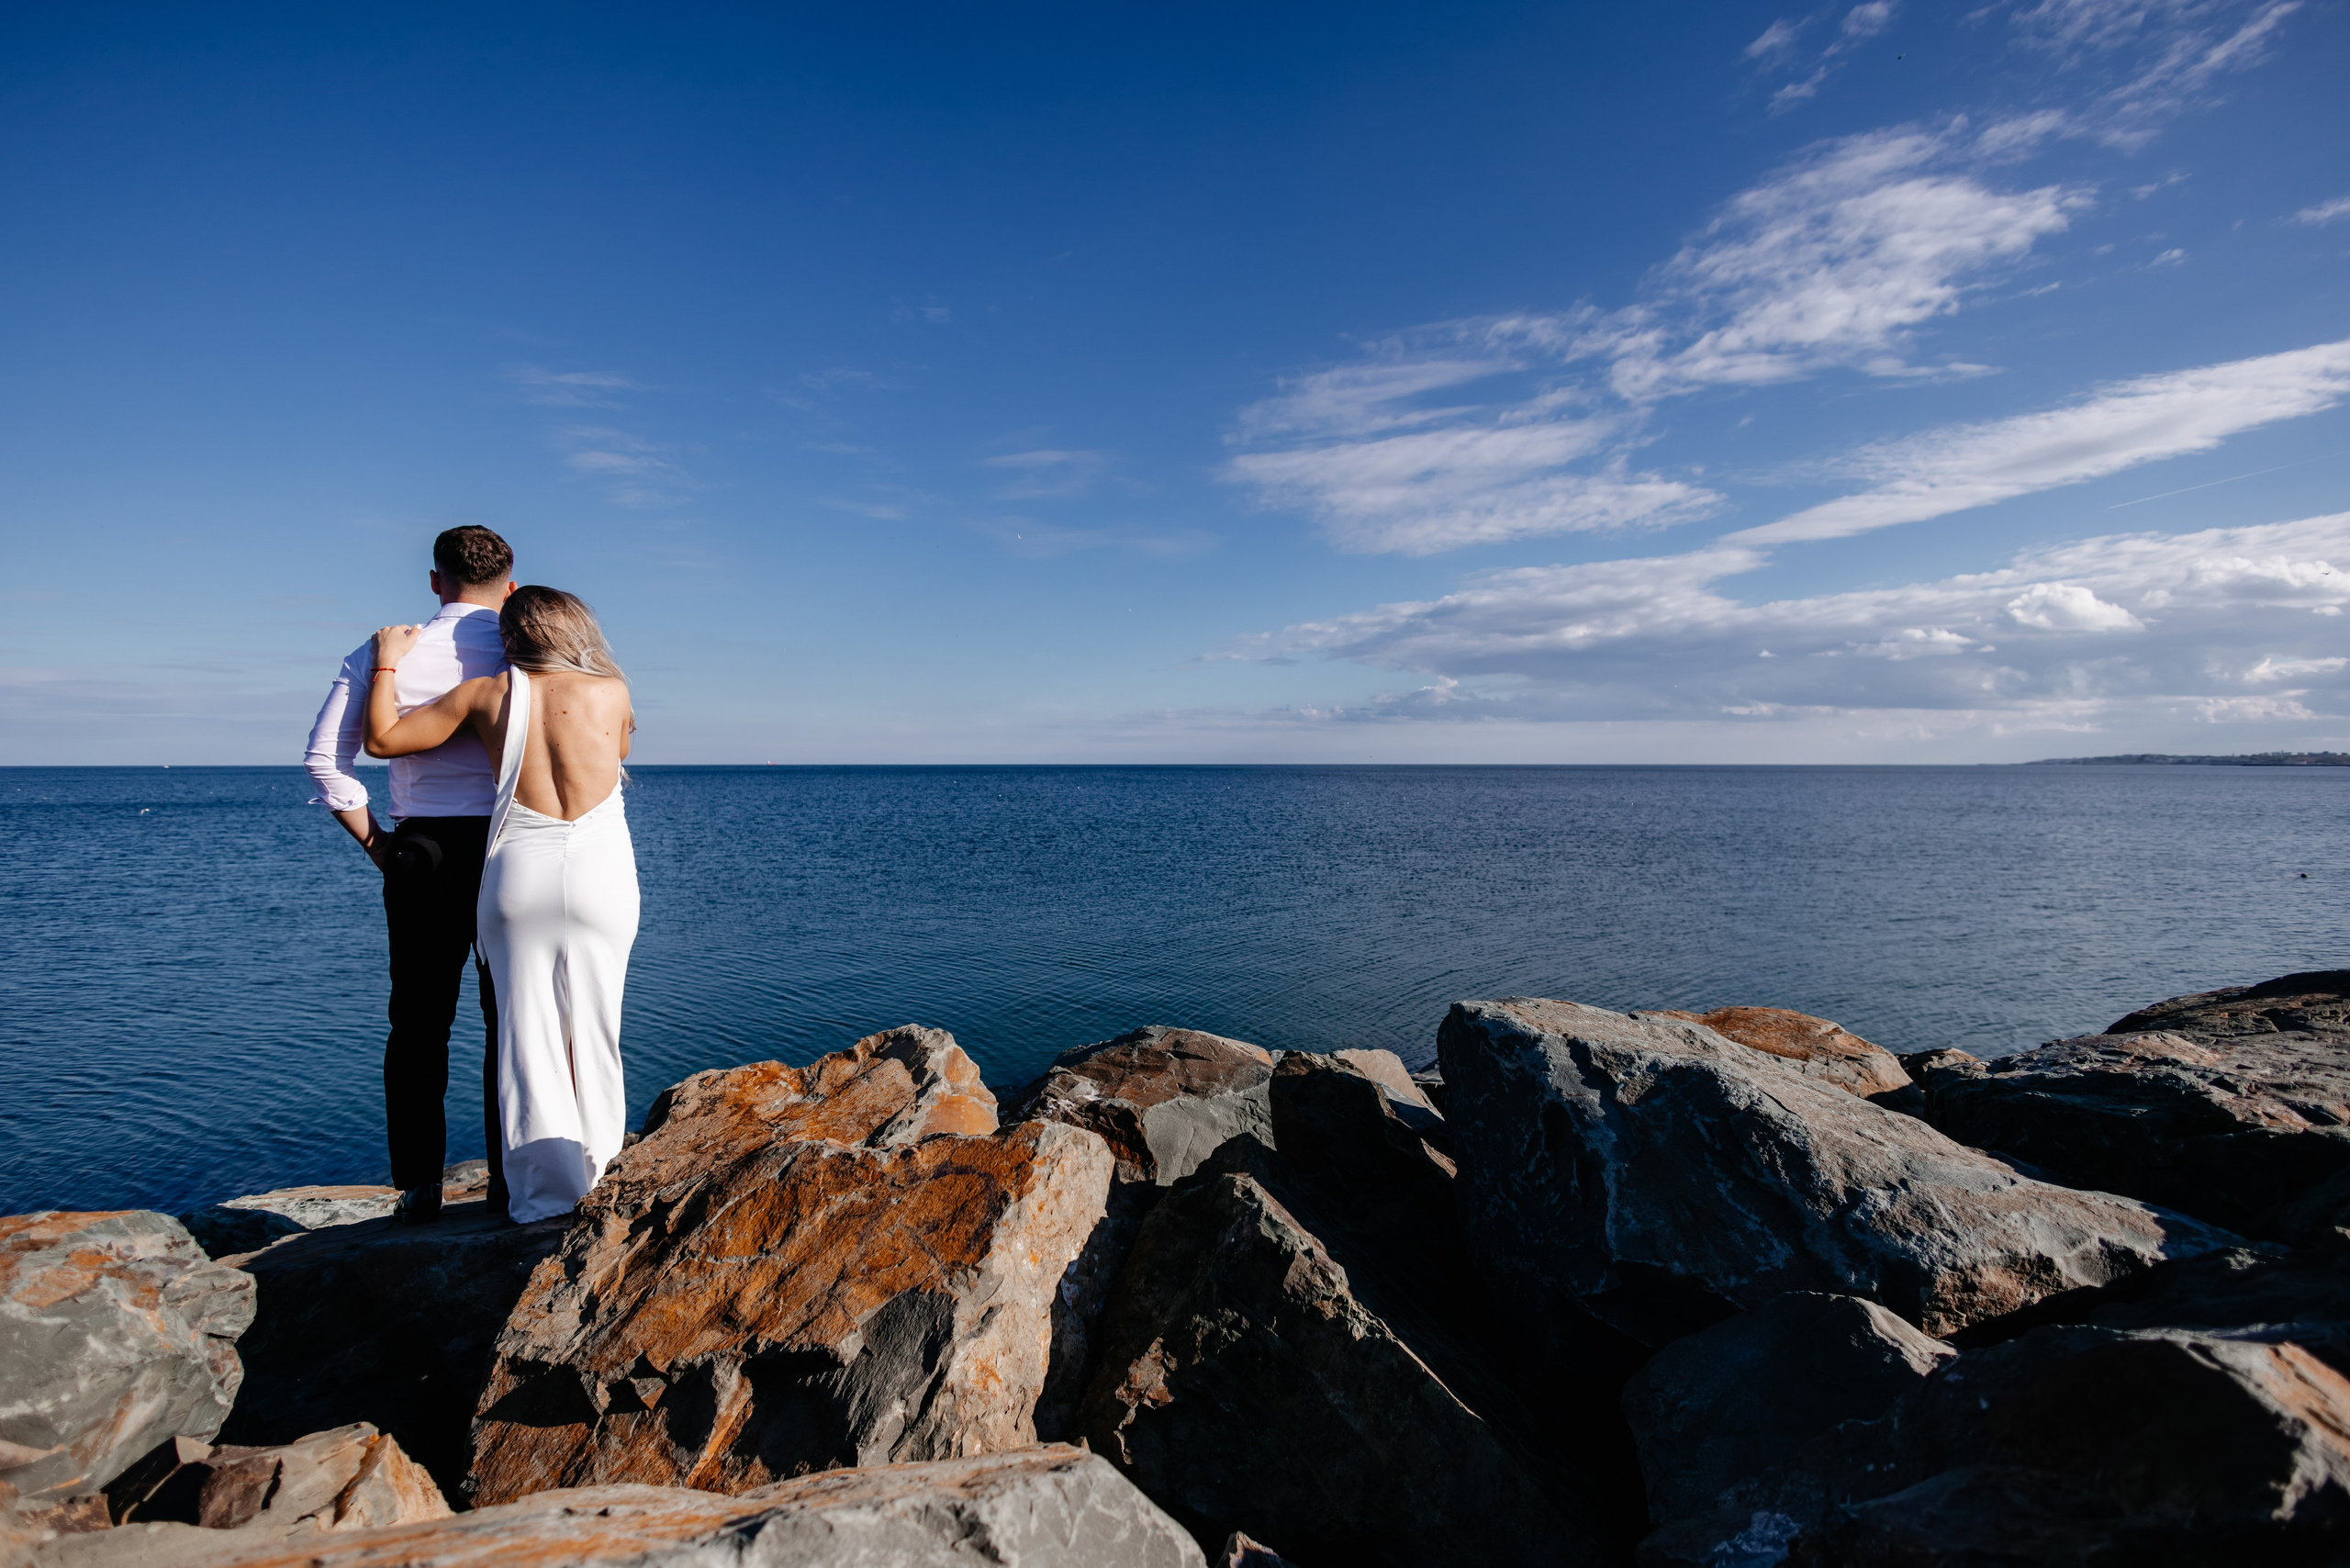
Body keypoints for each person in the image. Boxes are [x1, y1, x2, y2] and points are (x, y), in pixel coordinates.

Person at [363, 587, 638, 1225]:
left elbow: (381, 741)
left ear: (509, 637)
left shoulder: (486, 694)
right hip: (600, 872)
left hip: (520, 869)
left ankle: (539, 1198)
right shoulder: (613, 690)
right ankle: (597, 1176)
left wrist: (386, 661)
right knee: (596, 1030)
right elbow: (617, 752)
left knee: (526, 1035)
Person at [304, 525, 515, 1225]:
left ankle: (419, 1186)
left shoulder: (387, 652)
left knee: (419, 1023)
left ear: (435, 581)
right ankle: (509, 1184)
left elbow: (325, 764)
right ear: (509, 585)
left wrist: (378, 848)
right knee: (509, 1022)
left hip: (420, 851)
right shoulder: (529, 651)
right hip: (510, 851)